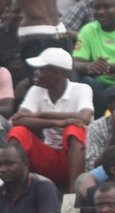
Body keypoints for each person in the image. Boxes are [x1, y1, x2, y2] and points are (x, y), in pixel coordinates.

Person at [7, 47, 93, 189]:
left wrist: (41, 114)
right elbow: (19, 120)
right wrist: (58, 122)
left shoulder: (81, 89)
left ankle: (73, 194)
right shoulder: (36, 90)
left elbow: (85, 117)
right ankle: (16, 188)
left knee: (74, 129)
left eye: (41, 69)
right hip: (49, 157)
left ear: (56, 73)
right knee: (18, 131)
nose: (36, 73)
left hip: (77, 160)